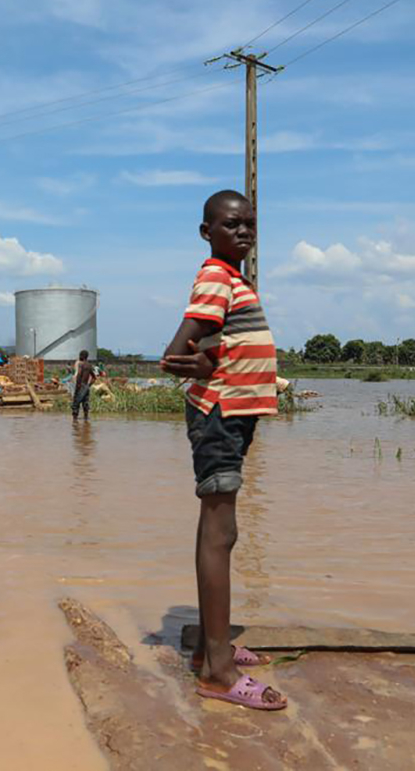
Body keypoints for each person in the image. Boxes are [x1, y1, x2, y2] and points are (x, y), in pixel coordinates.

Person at [159, 189, 284, 711]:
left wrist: (216, 357)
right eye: (233, 224)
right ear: (207, 230)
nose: (245, 232)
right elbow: (176, 354)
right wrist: (209, 367)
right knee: (221, 533)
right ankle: (218, 672)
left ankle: (211, 650)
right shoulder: (215, 275)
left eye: (251, 224)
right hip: (219, 416)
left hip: (231, 416)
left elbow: (215, 340)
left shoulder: (232, 279)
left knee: (217, 531)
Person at [71, 349, 97, 421]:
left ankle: (75, 421)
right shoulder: (89, 366)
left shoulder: (81, 364)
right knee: (85, 403)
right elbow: (94, 378)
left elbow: (79, 374)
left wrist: (78, 385)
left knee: (76, 404)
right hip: (86, 386)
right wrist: (89, 385)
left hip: (80, 386)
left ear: (81, 356)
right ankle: (86, 420)